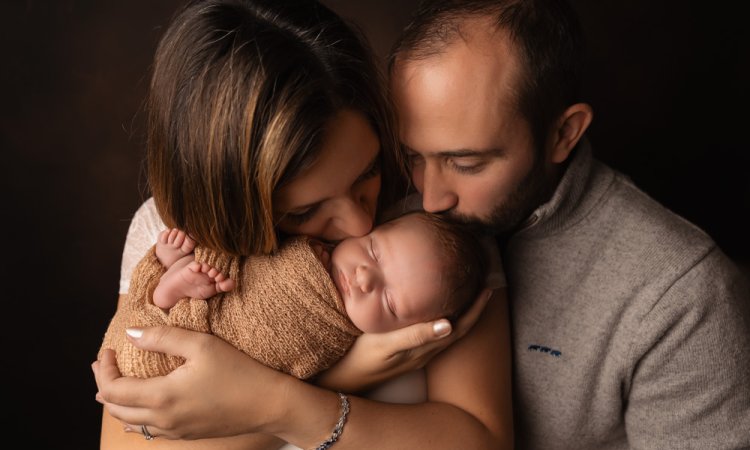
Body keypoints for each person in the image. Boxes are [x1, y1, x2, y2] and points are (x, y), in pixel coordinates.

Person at [93, 1, 514, 449]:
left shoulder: (430, 230)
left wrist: (286, 406)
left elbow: (481, 440)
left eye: (367, 173)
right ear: (230, 203)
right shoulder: (169, 238)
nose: (359, 224)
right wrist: (338, 376)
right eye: (302, 212)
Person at [386, 0, 750, 448]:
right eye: (412, 156)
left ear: (564, 133)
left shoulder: (681, 296)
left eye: (466, 162)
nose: (430, 199)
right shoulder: (380, 204)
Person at [101, 211, 488, 380]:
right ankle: (169, 282)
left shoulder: (336, 336)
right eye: (372, 251)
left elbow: (285, 368)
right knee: (202, 279)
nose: (365, 278)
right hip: (213, 292)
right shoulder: (306, 245)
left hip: (217, 336)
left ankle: (172, 289)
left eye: (390, 304)